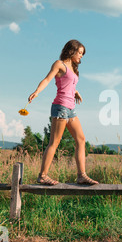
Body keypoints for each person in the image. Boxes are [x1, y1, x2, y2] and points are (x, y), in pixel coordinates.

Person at [28, 39, 99, 186]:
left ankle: (81, 175)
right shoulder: (59, 64)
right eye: (79, 53)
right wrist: (37, 91)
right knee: (54, 142)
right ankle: (42, 176)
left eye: (82, 54)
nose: (81, 56)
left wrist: (76, 92)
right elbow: (47, 79)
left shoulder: (72, 67)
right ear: (71, 51)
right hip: (60, 107)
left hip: (71, 109)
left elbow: (69, 84)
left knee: (81, 139)